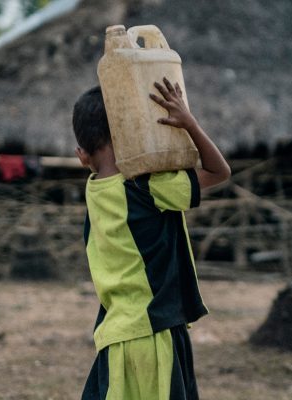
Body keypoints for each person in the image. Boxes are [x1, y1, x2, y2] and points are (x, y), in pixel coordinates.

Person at [73, 77, 230, 399]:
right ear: (134, 132)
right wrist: (189, 123)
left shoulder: (94, 190)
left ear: (81, 155)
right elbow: (218, 171)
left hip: (115, 334)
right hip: (155, 330)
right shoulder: (149, 188)